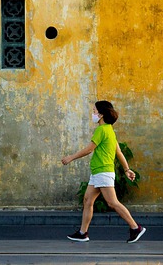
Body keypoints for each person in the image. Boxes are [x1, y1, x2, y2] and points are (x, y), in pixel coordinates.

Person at [61, 100, 146, 244]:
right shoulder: (110, 130)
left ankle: (135, 227)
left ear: (101, 115)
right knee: (88, 200)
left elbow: (89, 149)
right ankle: (82, 233)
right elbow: (119, 152)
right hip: (98, 172)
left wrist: (71, 157)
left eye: (94, 111)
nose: (92, 114)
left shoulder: (101, 130)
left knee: (112, 203)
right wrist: (127, 169)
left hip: (103, 172)